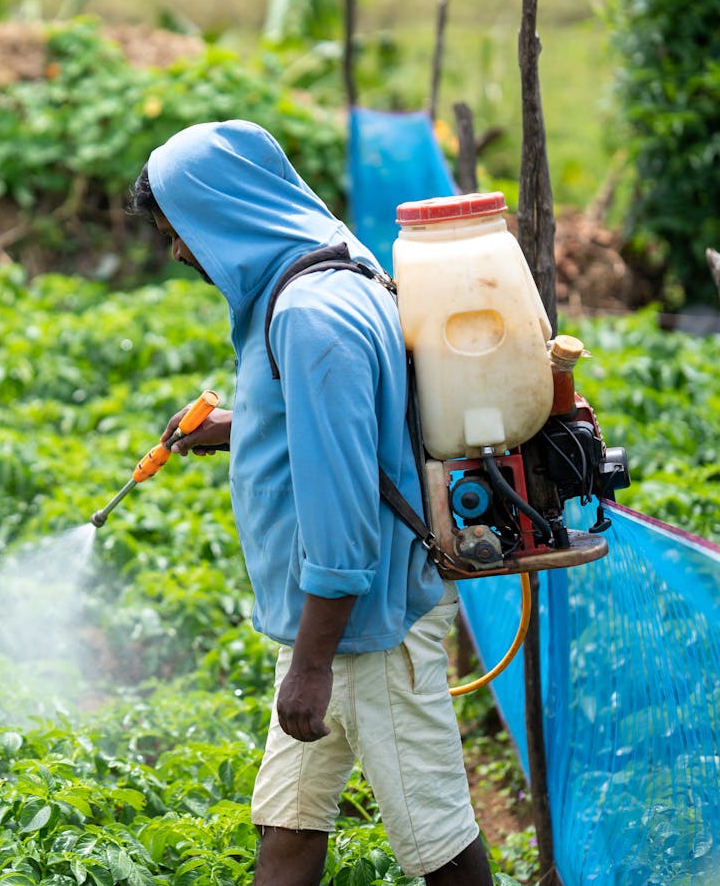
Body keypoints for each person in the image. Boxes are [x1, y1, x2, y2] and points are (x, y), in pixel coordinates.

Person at [128, 119, 491, 885]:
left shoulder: (306, 318)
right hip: (333, 624)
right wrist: (245, 425)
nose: (180, 252)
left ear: (225, 212)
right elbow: (355, 418)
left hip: (365, 629)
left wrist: (314, 663)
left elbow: (343, 496)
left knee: (440, 845)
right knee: (288, 820)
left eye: (181, 230)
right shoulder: (334, 260)